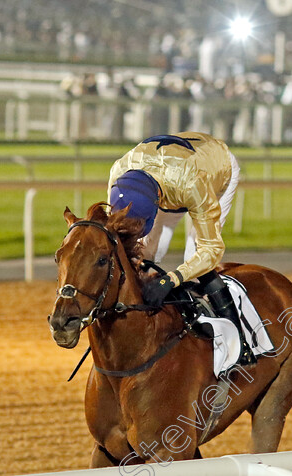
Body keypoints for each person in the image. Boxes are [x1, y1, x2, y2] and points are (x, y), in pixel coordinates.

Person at [107, 131, 256, 365]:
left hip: (213, 170)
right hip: (164, 176)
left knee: (194, 255)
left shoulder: (192, 183)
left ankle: (241, 345)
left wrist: (171, 280)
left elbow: (210, 251)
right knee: (143, 252)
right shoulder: (118, 174)